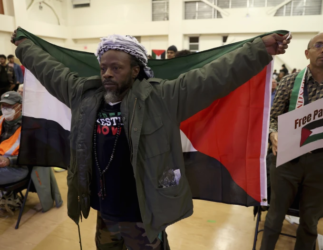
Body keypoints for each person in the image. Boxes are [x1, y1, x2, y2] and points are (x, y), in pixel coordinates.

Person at [12, 29, 290, 250]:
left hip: (143, 214)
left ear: (135, 70)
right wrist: (24, 46)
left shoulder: (162, 98)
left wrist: (258, 51)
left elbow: (212, 77)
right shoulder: (84, 96)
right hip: (104, 211)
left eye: (116, 68)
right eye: (103, 67)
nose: (107, 73)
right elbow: (49, 71)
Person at [261, 32, 323, 250]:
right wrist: (274, 134)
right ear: (307, 52)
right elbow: (272, 118)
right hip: (288, 159)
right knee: (274, 218)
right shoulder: (290, 82)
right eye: (318, 45)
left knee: (310, 222)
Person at [0, 91, 28, 216]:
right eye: (3, 106)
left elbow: (33, 157)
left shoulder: (31, 127)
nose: (6, 109)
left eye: (10, 106)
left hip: (18, 167)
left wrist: (9, 161)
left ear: (20, 106)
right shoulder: (0, 121)